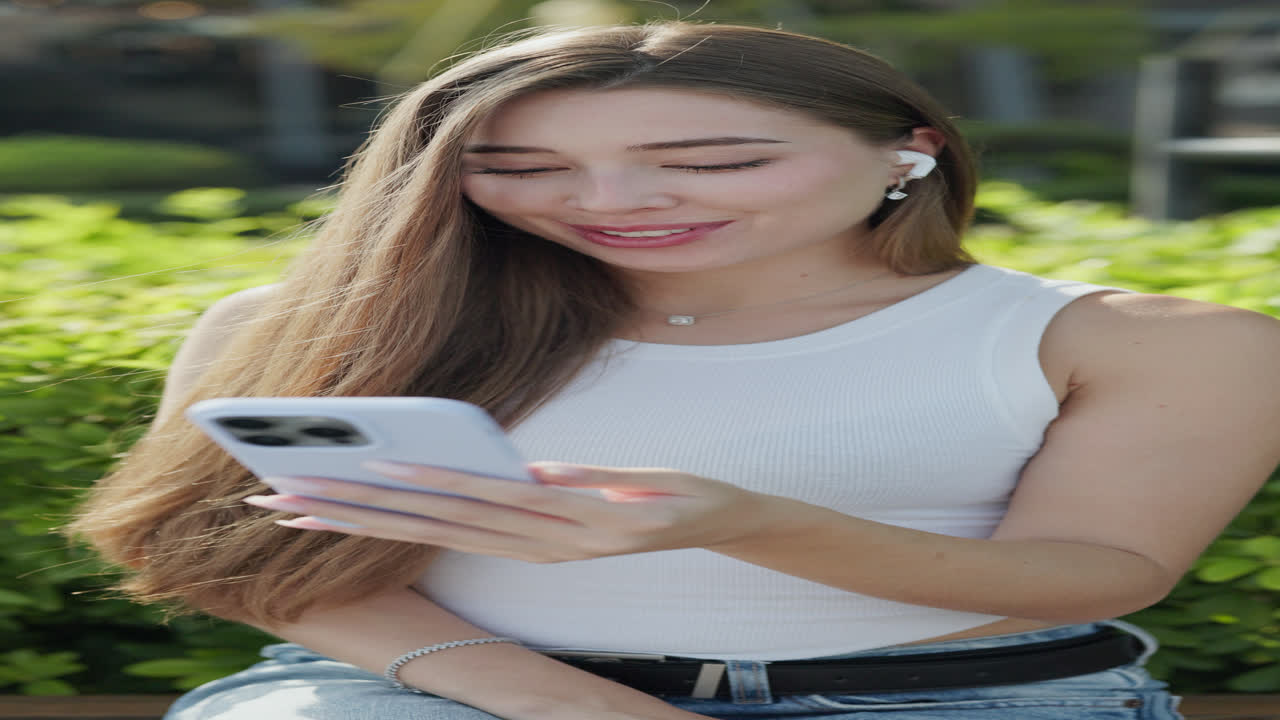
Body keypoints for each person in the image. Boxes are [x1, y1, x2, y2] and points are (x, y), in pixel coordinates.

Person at [67, 20, 1280, 720]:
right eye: (519, 166)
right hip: (440, 695)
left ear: (909, 156)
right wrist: (577, 708)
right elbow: (235, 563)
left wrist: (739, 522)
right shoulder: (301, 324)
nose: (613, 203)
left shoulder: (1147, 342)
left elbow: (1087, 577)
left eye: (712, 160)